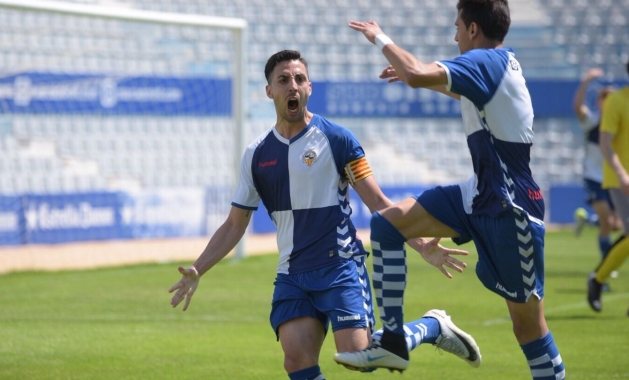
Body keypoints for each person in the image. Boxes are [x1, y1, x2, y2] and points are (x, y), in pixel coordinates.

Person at [168, 50, 481, 380]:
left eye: (300, 79)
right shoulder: (256, 154)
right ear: (269, 91)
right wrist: (198, 269)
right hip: (292, 273)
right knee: (296, 361)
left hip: (339, 266)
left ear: (310, 87)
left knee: (359, 356)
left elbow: (379, 202)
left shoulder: (338, 139)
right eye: (284, 80)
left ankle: (433, 326)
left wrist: (421, 245)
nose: (293, 86)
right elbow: (235, 223)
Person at [336, 1, 566, 379]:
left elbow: (416, 72)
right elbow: (460, 93)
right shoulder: (494, 67)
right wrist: (419, 77)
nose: (454, 34)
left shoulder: (486, 61)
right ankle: (393, 343)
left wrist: (379, 37)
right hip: (478, 195)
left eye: (458, 25)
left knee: (528, 327)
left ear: (473, 29)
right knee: (387, 226)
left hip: (511, 209)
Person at [587, 59, 629, 316]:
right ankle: (598, 279)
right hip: (620, 180)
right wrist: (623, 174)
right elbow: (605, 144)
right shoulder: (617, 101)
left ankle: (598, 280)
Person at [572, 68, 619, 262]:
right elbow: (577, 107)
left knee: (615, 225)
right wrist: (586, 81)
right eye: (604, 98)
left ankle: (589, 221)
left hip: (612, 178)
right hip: (594, 177)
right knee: (608, 222)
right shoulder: (592, 122)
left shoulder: (619, 125)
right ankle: (605, 270)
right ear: (599, 103)